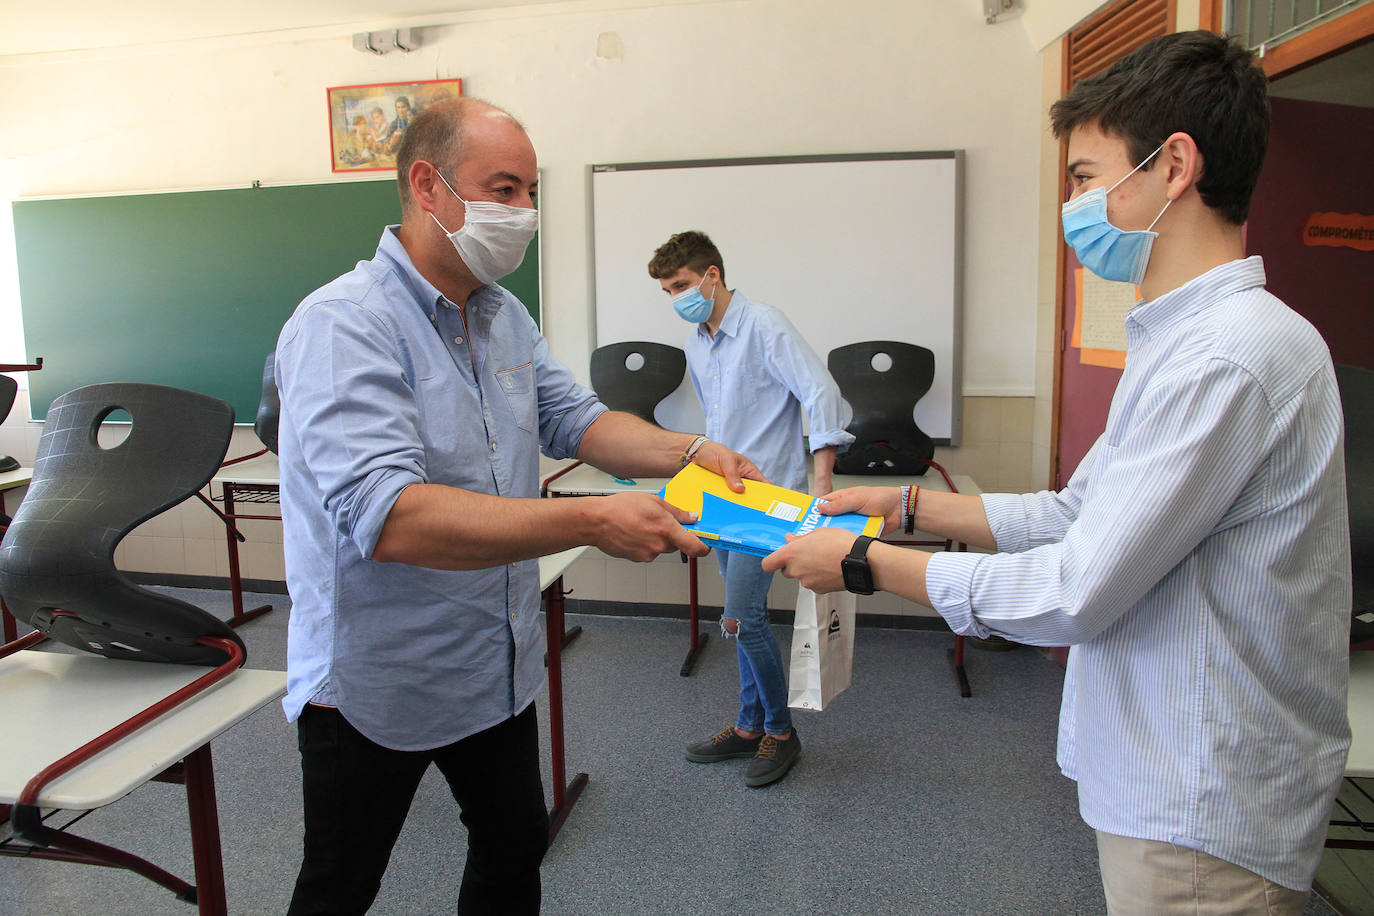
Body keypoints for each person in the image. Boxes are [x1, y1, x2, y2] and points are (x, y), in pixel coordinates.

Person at [762, 30, 1351, 914]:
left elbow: (1076, 589)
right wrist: (907, 504)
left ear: (1174, 166)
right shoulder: (1187, 342)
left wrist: (860, 562)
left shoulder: (1227, 359)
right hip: (1171, 773)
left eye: (1083, 175)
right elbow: (1081, 511)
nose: (1071, 201)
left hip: (1202, 802)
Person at [274, 98, 762, 915]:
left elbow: (578, 420)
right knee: (339, 886)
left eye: (530, 192)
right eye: (504, 189)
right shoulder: (343, 324)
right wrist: (590, 520)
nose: (525, 214)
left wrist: (687, 450)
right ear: (428, 186)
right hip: (376, 682)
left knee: (511, 854)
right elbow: (392, 519)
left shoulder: (503, 315)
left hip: (491, 663)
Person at [648, 230, 855, 787]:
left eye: (683, 285)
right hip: (721, 495)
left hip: (769, 500)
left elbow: (820, 393)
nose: (677, 297)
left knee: (743, 618)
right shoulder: (697, 340)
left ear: (712, 275)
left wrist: (820, 486)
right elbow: (720, 425)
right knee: (742, 622)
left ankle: (781, 734)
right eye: (669, 290)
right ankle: (747, 726)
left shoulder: (765, 324)